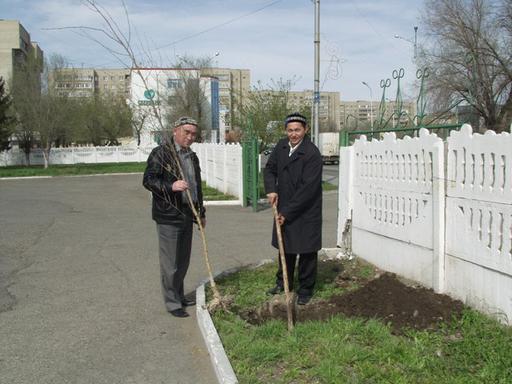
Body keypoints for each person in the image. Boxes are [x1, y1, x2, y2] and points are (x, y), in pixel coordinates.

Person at [143, 116, 206, 318]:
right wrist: (171, 186)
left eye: (193, 134)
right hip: (169, 215)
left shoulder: (192, 156)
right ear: (175, 131)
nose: (190, 137)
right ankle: (172, 303)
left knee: (183, 260)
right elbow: (148, 180)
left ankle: (179, 295)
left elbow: (197, 187)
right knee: (171, 263)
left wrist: (200, 213)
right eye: (186, 132)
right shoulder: (161, 154)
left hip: (188, 214)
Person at [264, 112, 323, 305]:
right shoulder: (281, 147)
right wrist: (271, 190)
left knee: (306, 252)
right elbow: (270, 169)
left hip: (305, 210)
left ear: (305, 130)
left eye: (297, 130)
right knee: (285, 248)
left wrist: (286, 213)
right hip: (284, 207)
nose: (293, 134)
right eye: (290, 130)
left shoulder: (312, 153)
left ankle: (305, 289)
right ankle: (283, 283)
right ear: (285, 130)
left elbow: (308, 189)